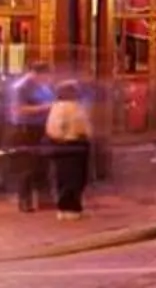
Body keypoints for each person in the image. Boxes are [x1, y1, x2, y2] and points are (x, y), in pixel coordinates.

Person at [8, 65, 55, 212]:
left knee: (40, 164)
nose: (46, 79)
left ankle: (42, 199)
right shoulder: (21, 87)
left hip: (41, 128)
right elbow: (18, 109)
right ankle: (24, 200)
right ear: (34, 73)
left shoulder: (42, 86)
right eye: (44, 76)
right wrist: (46, 107)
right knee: (27, 166)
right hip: (25, 129)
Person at [44, 80, 92, 218]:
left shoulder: (57, 107)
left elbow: (53, 129)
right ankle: (71, 209)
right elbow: (81, 126)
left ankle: (67, 208)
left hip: (64, 145)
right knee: (74, 178)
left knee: (65, 178)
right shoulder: (71, 107)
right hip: (73, 144)